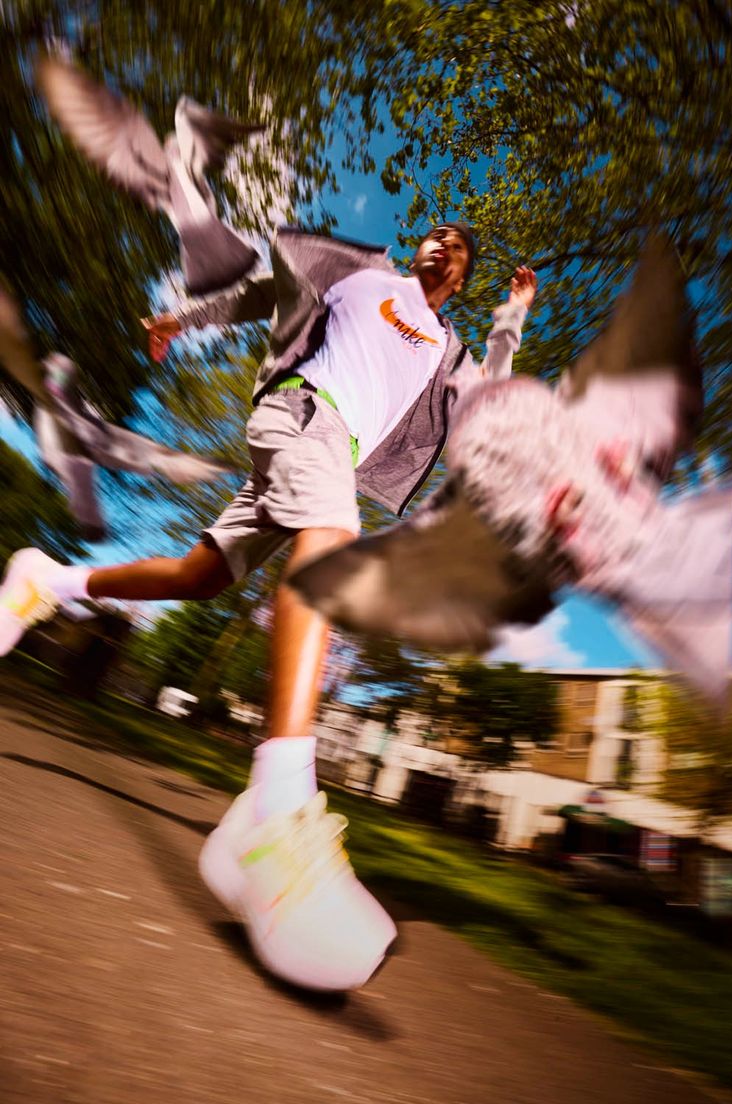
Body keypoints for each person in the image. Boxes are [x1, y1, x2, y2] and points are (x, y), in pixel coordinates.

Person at [0, 222, 537, 990]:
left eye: (459, 245)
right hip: (300, 412)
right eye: (435, 232)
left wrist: (510, 321)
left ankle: (45, 582)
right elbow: (267, 290)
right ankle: (277, 804)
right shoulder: (363, 277)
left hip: (332, 453)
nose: (442, 243)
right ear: (416, 246)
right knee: (333, 541)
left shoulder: (447, 351)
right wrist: (182, 319)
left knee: (200, 575)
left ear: (463, 273)